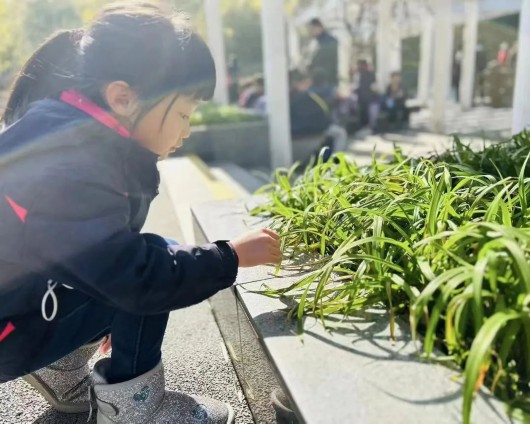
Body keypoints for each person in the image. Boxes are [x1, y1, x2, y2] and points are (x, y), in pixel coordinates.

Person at [0, 3, 281, 424]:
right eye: (183, 112)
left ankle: (58, 370)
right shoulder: (72, 170)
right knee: (154, 261)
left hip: (17, 308)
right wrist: (231, 257)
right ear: (123, 97)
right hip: (9, 329)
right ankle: (135, 410)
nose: (186, 130)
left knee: (127, 261)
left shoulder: (64, 132)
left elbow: (92, 255)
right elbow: (139, 278)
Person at [306, 18, 338, 87]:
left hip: (326, 82)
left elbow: (326, 64)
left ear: (319, 27)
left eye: (312, 29)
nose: (310, 32)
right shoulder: (316, 42)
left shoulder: (329, 42)